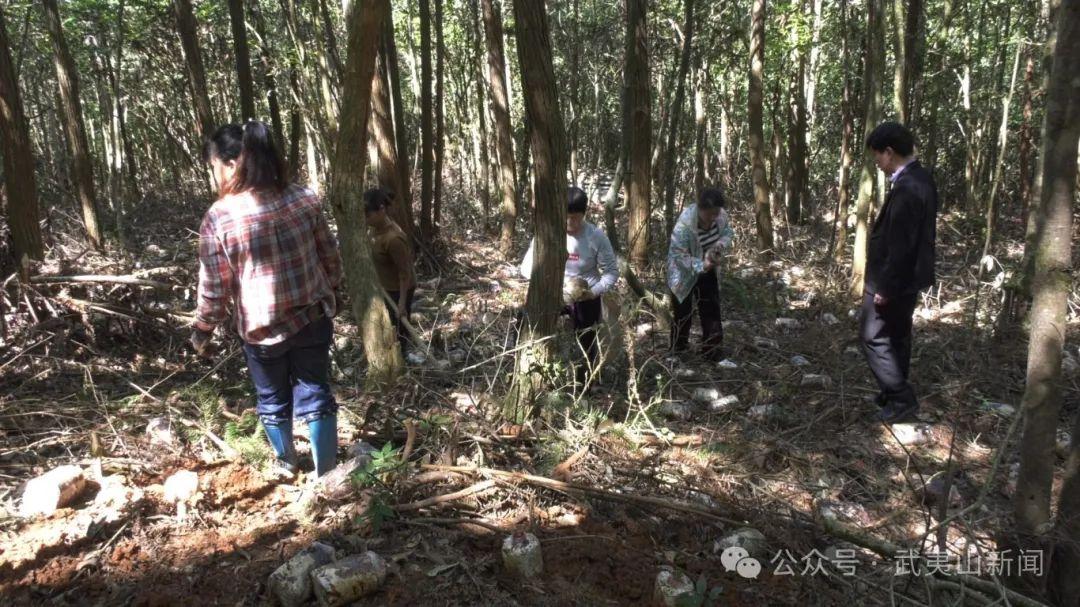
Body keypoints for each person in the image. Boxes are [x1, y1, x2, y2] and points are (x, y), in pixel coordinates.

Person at [191, 121, 343, 479]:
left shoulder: (219, 217)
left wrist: (202, 329)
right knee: (316, 392)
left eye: (214, 166)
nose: (215, 174)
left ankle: (287, 463)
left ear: (231, 164)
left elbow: (214, 288)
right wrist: (333, 289)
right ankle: (329, 474)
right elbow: (330, 256)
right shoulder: (304, 198)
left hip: (261, 334)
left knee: (273, 401)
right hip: (312, 318)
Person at [860, 121, 937, 424]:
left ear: (889, 153)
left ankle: (901, 397)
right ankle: (892, 393)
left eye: (877, 156)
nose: (877, 163)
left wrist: (884, 286)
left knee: (872, 337)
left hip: (893, 278)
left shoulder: (908, 187)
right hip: (908, 278)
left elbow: (902, 245)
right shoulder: (922, 178)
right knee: (897, 336)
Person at [520, 186, 619, 379]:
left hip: (585, 295)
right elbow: (525, 269)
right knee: (541, 336)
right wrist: (548, 282)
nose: (570, 222)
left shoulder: (595, 236)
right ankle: (547, 379)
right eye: (566, 216)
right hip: (553, 293)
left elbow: (612, 273)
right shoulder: (548, 233)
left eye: (575, 217)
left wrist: (594, 291)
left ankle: (585, 382)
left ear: (584, 214)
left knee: (587, 343)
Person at [666, 188, 734, 361]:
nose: (713, 218)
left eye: (716, 213)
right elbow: (678, 255)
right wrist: (701, 264)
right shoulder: (684, 226)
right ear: (700, 209)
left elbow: (727, 233)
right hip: (682, 274)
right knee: (683, 314)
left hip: (707, 269)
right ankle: (678, 352)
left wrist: (718, 247)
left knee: (711, 310)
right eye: (709, 214)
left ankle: (713, 353)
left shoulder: (721, 215)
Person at [364, 188, 417, 357]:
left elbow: (405, 273)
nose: (366, 219)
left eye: (368, 215)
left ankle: (403, 358)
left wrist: (401, 302)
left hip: (399, 289)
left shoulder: (394, 239)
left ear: (381, 210)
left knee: (399, 326)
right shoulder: (374, 229)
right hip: (384, 286)